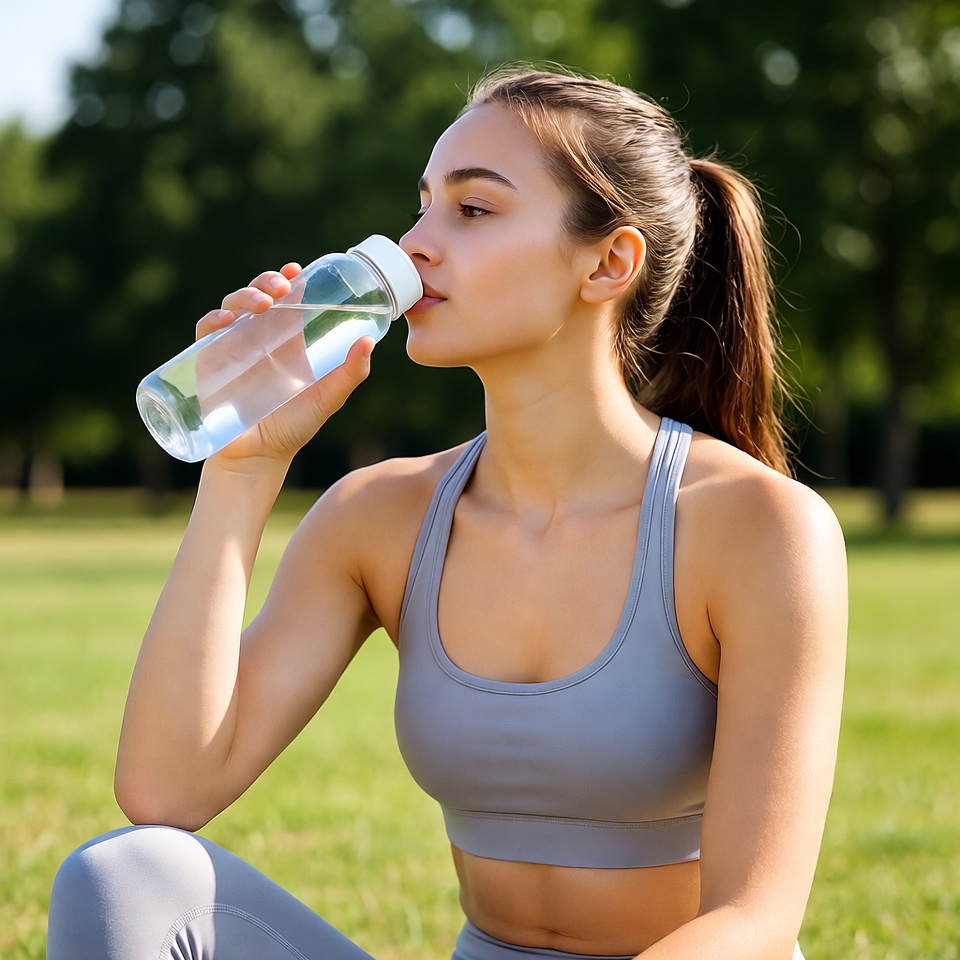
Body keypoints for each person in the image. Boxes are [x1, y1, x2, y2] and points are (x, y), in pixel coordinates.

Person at [47, 65, 847, 960]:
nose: (415, 244)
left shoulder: (758, 528)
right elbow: (167, 791)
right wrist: (242, 469)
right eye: (422, 206)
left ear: (609, 261)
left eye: (472, 211)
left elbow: (756, 920)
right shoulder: (381, 519)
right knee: (122, 877)